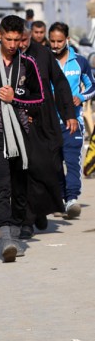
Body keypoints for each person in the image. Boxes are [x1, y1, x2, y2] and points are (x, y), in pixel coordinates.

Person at [0, 15, 44, 262]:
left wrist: (16, 96)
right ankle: (5, 238)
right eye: (9, 39)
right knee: (2, 183)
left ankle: (15, 233)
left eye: (18, 40)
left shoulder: (28, 64)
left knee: (19, 186)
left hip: (21, 132)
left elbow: (39, 98)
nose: (14, 45)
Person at [18, 24, 77, 237]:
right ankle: (27, 219)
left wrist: (69, 114)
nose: (21, 44)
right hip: (21, 122)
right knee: (27, 169)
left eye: (24, 39)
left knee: (49, 166)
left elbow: (60, 84)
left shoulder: (42, 54)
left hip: (47, 120)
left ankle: (40, 209)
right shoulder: (5, 58)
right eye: (17, 40)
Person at [49, 22, 95, 218]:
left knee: (72, 161)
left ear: (67, 40)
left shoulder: (80, 62)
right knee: (54, 164)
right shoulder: (43, 61)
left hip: (73, 121)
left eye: (60, 41)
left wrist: (82, 97)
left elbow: (92, 87)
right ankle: (60, 198)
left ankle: (72, 199)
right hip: (50, 123)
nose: (56, 45)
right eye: (52, 41)